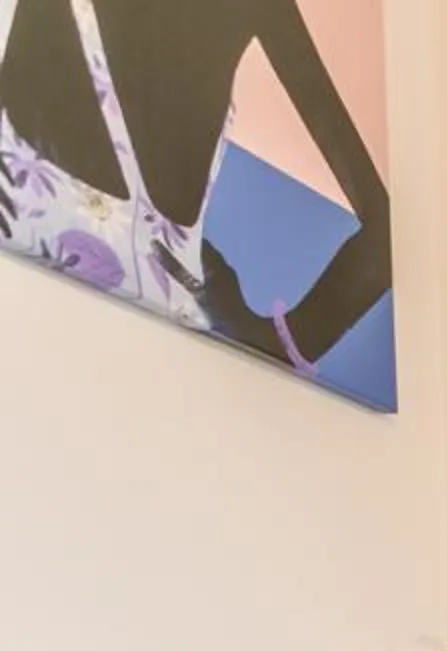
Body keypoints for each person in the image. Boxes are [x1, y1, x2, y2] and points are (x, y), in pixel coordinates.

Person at [0, 0, 389, 375]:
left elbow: (388, 239)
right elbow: (387, 238)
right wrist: (280, 342)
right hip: (150, 351)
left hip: (111, 352)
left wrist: (273, 341)